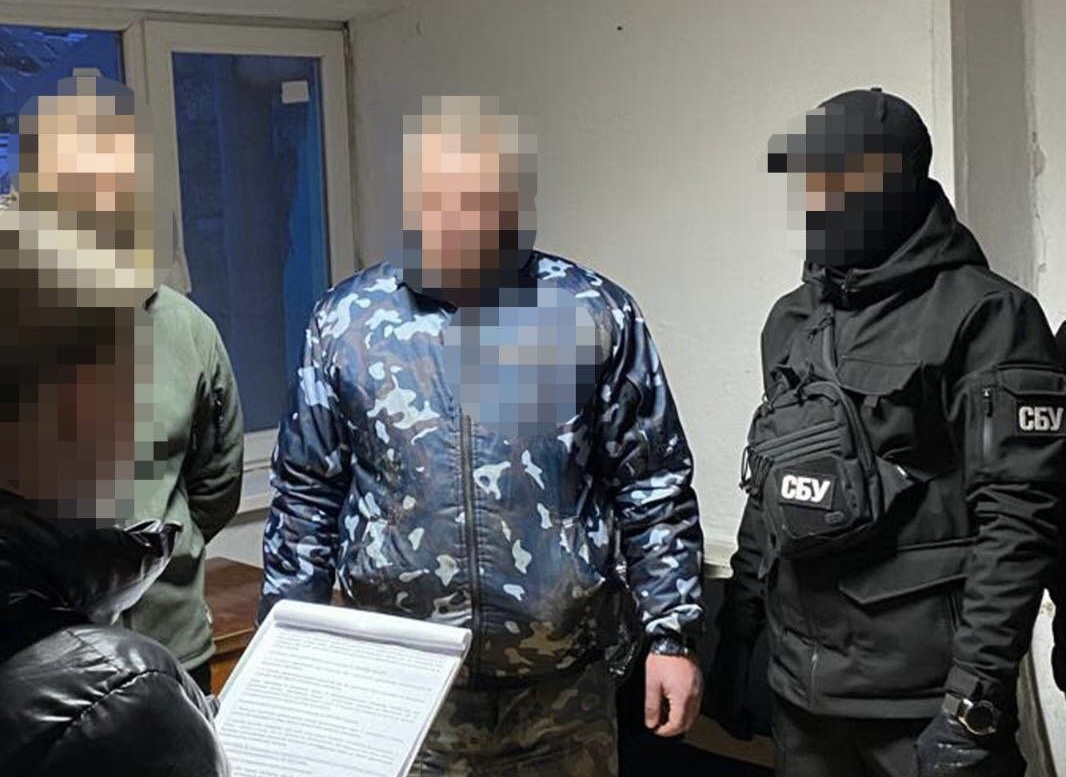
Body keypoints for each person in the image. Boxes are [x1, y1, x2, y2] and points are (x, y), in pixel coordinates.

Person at [259, 95, 704, 775]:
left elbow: (651, 483)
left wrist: (672, 634)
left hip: (562, 692)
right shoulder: (348, 323)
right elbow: (306, 495)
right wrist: (288, 650)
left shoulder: (590, 312)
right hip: (403, 692)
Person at [707, 87, 1064, 777]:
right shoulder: (792, 320)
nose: (821, 199)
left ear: (899, 180)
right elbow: (769, 487)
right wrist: (738, 636)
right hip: (802, 698)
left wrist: (974, 701)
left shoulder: (987, 316)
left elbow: (1020, 522)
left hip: (923, 703)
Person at [0, 75, 228, 776]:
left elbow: (213, 489)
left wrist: (144, 559)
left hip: (166, 648)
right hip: (44, 649)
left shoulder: (186, 326)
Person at [121, 276, 245, 698]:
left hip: (173, 646)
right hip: (39, 656)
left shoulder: (186, 326)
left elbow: (217, 480)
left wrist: (166, 550)